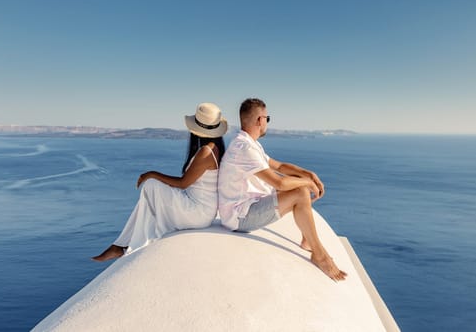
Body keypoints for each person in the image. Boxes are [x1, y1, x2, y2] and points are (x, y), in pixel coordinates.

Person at [218, 98, 347, 281]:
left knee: (299, 184)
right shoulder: (244, 148)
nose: (267, 123)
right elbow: (280, 184)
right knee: (300, 191)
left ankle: (306, 239)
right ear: (260, 120)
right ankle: (320, 255)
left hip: (245, 208)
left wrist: (308, 174)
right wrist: (306, 183)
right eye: (267, 118)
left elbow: (279, 166)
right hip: (239, 217)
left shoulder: (250, 143)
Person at [92, 102, 228, 262]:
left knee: (151, 187)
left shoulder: (206, 152)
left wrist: (151, 174)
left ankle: (125, 245)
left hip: (198, 213)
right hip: (202, 209)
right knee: (153, 192)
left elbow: (183, 183)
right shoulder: (214, 149)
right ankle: (123, 245)